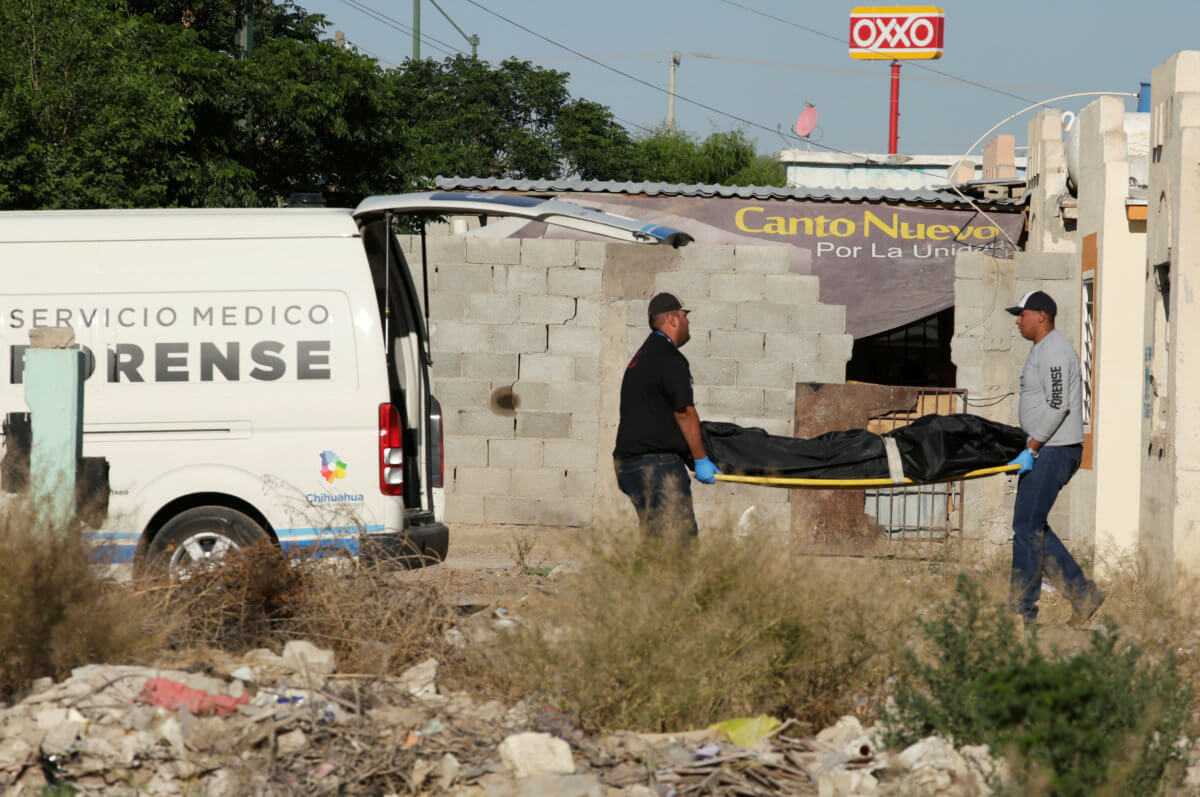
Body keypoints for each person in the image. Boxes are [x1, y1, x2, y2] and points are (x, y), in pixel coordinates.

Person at [1005, 290, 1105, 627]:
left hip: (1054, 449)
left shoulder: (1056, 351)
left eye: (1022, 314)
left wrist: (1033, 446)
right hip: (1045, 448)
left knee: (1026, 527)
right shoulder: (1042, 349)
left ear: (1041, 316)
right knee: (1030, 526)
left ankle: (1022, 611)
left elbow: (1058, 403)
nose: (1018, 321)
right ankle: (1081, 593)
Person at [613, 292, 719, 537]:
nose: (688, 321)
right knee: (677, 544)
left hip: (629, 465)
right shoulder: (669, 358)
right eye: (685, 315)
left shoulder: (643, 355)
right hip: (656, 464)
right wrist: (700, 458)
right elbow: (684, 412)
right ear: (673, 319)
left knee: (655, 542)